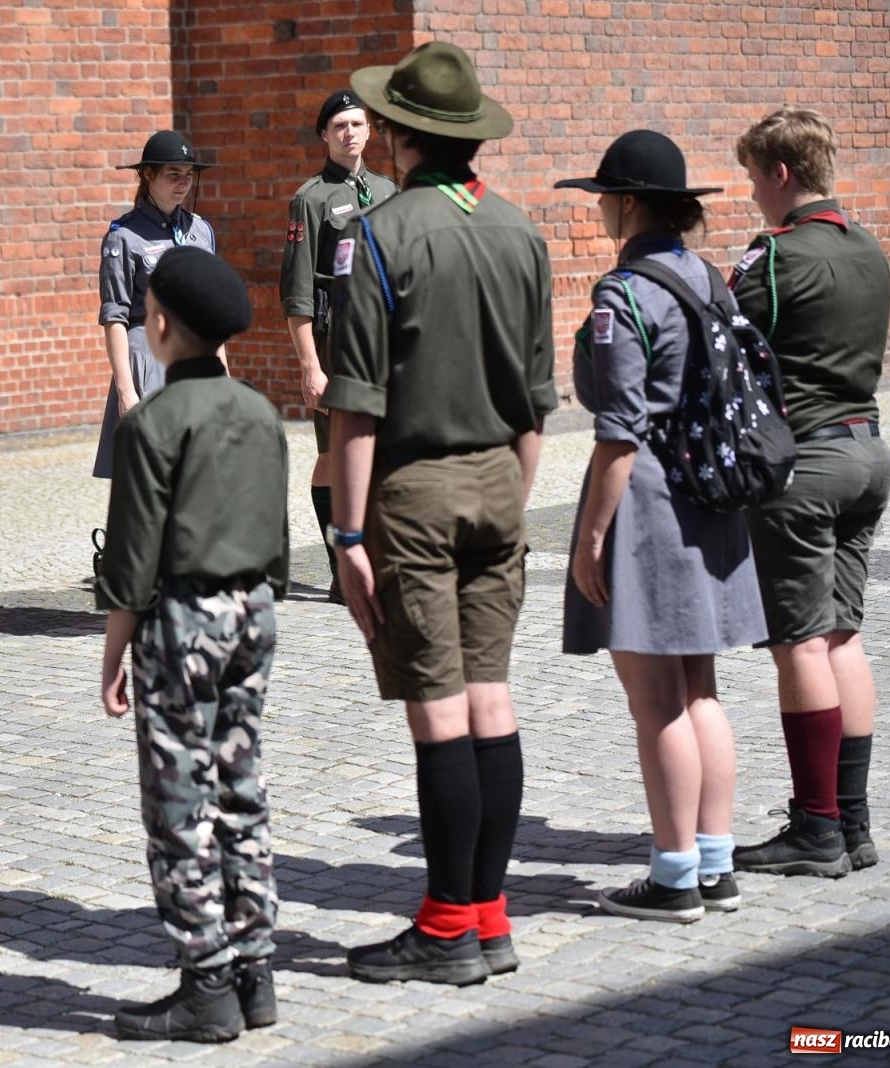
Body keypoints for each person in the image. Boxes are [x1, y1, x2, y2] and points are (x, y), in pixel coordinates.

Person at [324, 41, 557, 985]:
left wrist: (346, 536)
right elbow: (539, 402)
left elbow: (356, 404)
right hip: (504, 477)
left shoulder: (378, 232)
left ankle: (446, 926)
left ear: (392, 134)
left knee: (438, 713)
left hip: (413, 488)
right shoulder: (519, 232)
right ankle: (490, 920)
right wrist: (509, 490)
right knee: (493, 704)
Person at [554, 130, 766, 922]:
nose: (601, 209)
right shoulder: (705, 276)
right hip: (710, 493)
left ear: (630, 202)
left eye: (605, 197)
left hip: (649, 504)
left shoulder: (625, 294)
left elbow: (618, 431)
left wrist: (588, 539)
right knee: (700, 690)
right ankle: (714, 862)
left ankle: (674, 875)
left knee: (657, 705)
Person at [96, 247, 289, 1042]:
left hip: (183, 621)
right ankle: (255, 968)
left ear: (162, 324)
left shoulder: (154, 424)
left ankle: (205, 981)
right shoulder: (260, 412)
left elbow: (132, 562)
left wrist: (114, 654)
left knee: (180, 799)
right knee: (241, 783)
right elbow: (276, 538)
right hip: (255, 610)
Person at [728, 107, 890, 879]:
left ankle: (815, 826)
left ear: (780, 174)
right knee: (843, 637)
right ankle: (853, 823)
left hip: (807, 465)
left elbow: (725, 344)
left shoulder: (774, 257)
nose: (753, 193)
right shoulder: (870, 250)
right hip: (868, 451)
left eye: (754, 177)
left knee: (799, 644)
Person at [279, 90, 398, 602]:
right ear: (325, 135)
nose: (350, 133)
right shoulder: (311, 198)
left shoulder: (391, 190)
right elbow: (297, 293)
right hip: (337, 342)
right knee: (333, 453)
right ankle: (338, 565)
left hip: (388, 341)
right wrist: (311, 366)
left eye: (358, 124)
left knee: (387, 448)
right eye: (339, 126)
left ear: (370, 131)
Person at [90, 130, 219, 482]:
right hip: (148, 358)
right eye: (172, 174)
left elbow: (211, 309)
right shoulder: (123, 236)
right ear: (148, 176)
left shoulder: (200, 231)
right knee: (151, 475)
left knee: (197, 472)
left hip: (195, 355)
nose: (183, 183)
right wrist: (125, 389)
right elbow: (114, 316)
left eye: (188, 175)